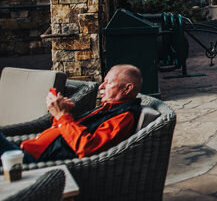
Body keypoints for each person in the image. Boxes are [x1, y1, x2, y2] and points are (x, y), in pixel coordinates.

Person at [0, 64, 144, 164]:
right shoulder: (108, 108)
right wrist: (60, 114)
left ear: (127, 88)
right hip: (28, 153)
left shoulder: (124, 117)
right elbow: (68, 132)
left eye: (108, 82)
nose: (101, 86)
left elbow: (88, 148)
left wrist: (62, 115)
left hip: (38, 163)